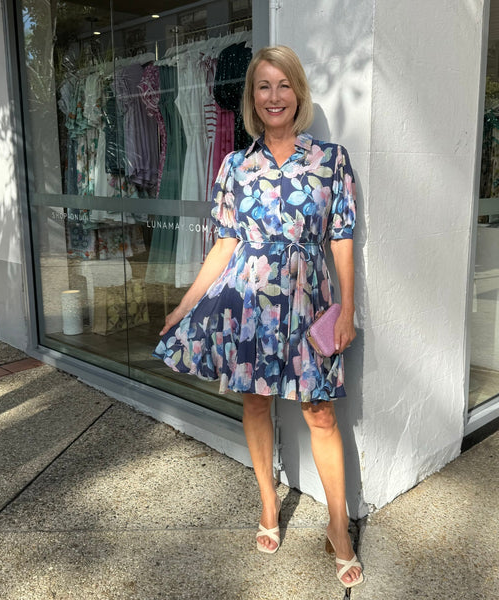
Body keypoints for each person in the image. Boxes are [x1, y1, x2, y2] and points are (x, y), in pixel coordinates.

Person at [153, 45, 363, 589]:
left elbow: (341, 239)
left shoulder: (330, 160)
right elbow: (225, 244)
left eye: (283, 85)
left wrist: (346, 309)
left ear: (298, 93)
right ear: (252, 99)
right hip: (249, 304)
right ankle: (269, 506)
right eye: (263, 87)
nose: (274, 97)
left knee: (319, 411)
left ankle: (338, 525)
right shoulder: (234, 166)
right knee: (255, 401)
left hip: (310, 300)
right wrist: (185, 303)